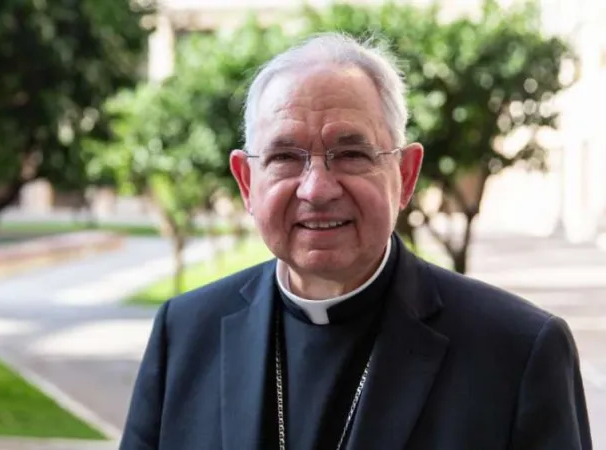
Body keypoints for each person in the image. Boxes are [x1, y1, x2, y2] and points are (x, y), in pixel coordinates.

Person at [119, 33, 592, 450]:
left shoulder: (518, 351)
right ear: (247, 183)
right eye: (285, 156)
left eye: (350, 153)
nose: (317, 188)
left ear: (405, 176)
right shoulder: (183, 333)